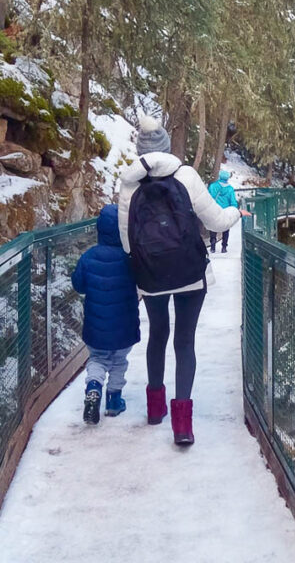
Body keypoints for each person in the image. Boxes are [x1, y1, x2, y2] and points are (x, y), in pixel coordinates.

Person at [118, 116, 245, 445]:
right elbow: (217, 221)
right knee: (184, 341)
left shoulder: (129, 184)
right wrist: (236, 212)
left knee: (157, 335)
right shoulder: (185, 176)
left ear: (139, 151)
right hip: (189, 272)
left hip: (151, 275)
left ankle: (155, 409)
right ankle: (182, 426)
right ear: (166, 147)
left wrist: (144, 267)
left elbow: (127, 240)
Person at [70, 205, 141, 425]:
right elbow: (140, 282)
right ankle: (113, 400)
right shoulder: (129, 258)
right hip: (124, 324)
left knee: (98, 359)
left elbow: (79, 285)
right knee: (119, 361)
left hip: (96, 325)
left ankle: (93, 388)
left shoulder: (88, 257)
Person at [206, 170, 238, 253]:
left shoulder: (213, 186)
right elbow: (233, 201)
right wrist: (234, 209)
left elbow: (209, 198)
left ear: (220, 176)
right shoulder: (230, 189)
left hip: (215, 210)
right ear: (227, 178)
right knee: (226, 228)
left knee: (213, 226)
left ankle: (212, 244)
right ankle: (224, 247)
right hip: (226, 211)